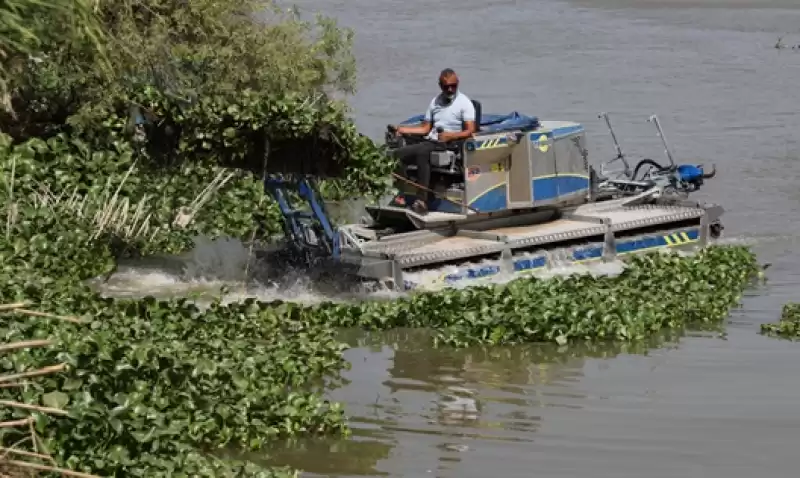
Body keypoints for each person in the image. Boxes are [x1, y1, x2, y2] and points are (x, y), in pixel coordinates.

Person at [390, 68, 477, 214]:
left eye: (453, 86)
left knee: (423, 152)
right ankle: (403, 193)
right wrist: (401, 129)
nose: (450, 89)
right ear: (440, 85)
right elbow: (425, 128)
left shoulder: (464, 103)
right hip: (432, 141)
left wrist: (451, 136)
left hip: (451, 144)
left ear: (458, 84)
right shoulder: (435, 102)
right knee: (396, 154)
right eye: (446, 86)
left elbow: (471, 131)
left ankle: (422, 200)